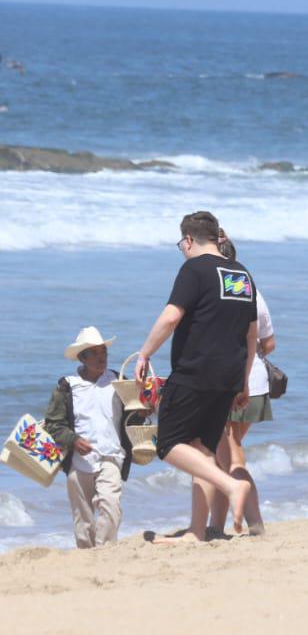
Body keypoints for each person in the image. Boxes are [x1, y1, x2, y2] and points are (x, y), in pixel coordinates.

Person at [135, 211, 259, 541]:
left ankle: (231, 485)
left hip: (196, 371)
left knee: (168, 444)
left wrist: (145, 353)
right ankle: (197, 531)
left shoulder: (195, 269)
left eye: (181, 244)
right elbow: (252, 335)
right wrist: (244, 381)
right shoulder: (241, 273)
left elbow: (171, 317)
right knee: (202, 450)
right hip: (229, 375)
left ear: (189, 240)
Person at [207, 231, 275, 538]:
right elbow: (269, 343)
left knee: (230, 455)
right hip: (257, 383)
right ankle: (216, 525)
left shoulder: (224, 290)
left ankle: (254, 520)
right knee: (224, 454)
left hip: (233, 382)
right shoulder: (252, 290)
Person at [42, 327, 132, 548]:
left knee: (111, 505)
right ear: (82, 358)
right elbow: (53, 424)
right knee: (83, 518)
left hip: (112, 455)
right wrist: (73, 440)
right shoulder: (67, 386)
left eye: (104, 352)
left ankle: (105, 551)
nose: (102, 357)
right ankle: (86, 555)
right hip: (78, 460)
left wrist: (143, 410)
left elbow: (133, 416)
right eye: (94, 353)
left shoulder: (119, 381)